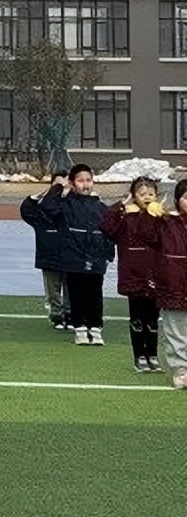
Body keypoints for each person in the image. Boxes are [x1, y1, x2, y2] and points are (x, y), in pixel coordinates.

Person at [37, 164, 114, 346]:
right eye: (80, 181)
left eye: (88, 180)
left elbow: (109, 230)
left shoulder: (100, 207)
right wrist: (59, 187)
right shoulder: (65, 205)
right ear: (72, 183)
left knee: (94, 295)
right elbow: (47, 207)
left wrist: (107, 254)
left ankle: (95, 328)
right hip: (72, 259)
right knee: (76, 294)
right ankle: (79, 328)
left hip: (95, 260)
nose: (85, 185)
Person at [100, 176, 163, 372]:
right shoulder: (126, 218)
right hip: (133, 275)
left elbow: (161, 239)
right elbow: (106, 227)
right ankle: (139, 356)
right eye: (142, 194)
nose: (147, 197)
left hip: (155, 276)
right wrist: (121, 205)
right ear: (134, 196)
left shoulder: (160, 218)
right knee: (137, 319)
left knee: (153, 320)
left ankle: (152, 355)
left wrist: (159, 216)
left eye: (151, 194)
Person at [144, 177, 187, 391]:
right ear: (178, 200)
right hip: (173, 286)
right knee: (176, 330)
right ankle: (180, 369)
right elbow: (146, 237)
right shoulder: (166, 223)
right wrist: (151, 217)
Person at [19, 172, 71, 331]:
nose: (61, 189)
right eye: (57, 185)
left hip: (71, 256)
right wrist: (45, 193)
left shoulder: (72, 209)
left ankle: (70, 315)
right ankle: (56, 316)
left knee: (71, 289)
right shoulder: (41, 213)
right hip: (49, 257)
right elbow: (26, 210)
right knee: (53, 291)